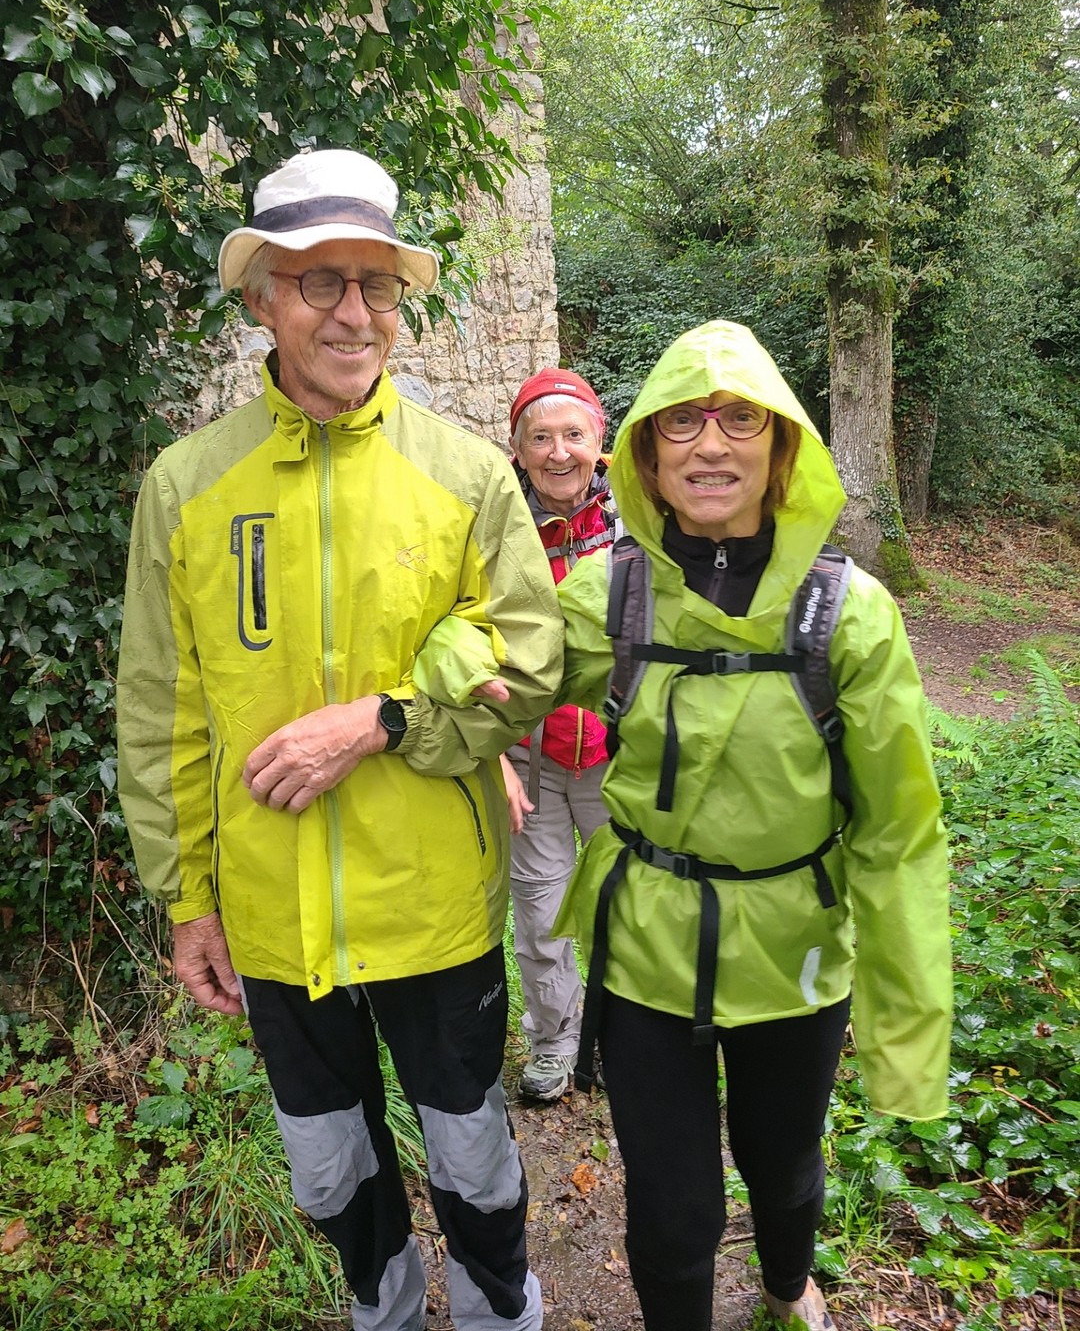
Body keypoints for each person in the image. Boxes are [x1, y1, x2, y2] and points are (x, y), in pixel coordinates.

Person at [116, 148, 563, 1331]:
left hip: (433, 904)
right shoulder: (186, 486)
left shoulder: (469, 476)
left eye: (376, 283)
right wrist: (187, 899)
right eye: (320, 283)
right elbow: (163, 716)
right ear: (262, 295)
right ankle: (383, 1308)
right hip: (267, 912)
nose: (354, 312)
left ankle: (498, 1311)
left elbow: (527, 664)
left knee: (471, 1152)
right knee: (327, 1163)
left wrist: (379, 720)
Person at [547, 320, 953, 1330]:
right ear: (645, 454)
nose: (712, 444)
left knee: (785, 1172)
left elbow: (899, 832)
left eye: (742, 419)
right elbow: (487, 669)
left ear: (782, 453)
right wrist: (386, 715)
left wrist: (907, 1034)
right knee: (673, 1210)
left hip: (795, 951)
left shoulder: (850, 615)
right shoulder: (608, 591)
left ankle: (784, 1289)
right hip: (645, 946)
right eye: (681, 422)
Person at [503, 369, 615, 1102]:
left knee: (627, 907)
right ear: (516, 447)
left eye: (573, 434)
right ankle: (556, 1043)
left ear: (598, 442)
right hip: (527, 760)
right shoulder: (494, 523)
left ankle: (625, 1038)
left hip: (619, 757)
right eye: (540, 437)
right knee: (542, 917)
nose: (558, 452)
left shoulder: (639, 518)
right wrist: (490, 756)